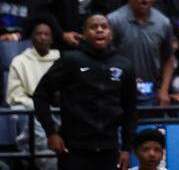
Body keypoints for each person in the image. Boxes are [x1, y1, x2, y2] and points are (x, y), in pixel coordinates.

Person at [33, 14, 138, 170]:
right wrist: (51, 133)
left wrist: (127, 148)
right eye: (93, 27)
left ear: (111, 34)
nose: (99, 30)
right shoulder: (70, 60)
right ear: (83, 34)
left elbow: (130, 108)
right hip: (74, 148)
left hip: (109, 149)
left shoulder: (124, 65)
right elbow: (40, 94)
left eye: (104, 27)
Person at [107, 0, 175, 106]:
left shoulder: (163, 23)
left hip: (152, 93)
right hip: (119, 92)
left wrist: (164, 91)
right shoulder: (113, 21)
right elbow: (105, 58)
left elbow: (168, 59)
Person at [7, 18, 61, 170]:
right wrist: (42, 107)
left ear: (52, 38)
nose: (43, 37)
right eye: (39, 34)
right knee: (38, 127)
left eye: (46, 34)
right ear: (32, 38)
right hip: (32, 110)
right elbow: (15, 95)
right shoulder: (20, 61)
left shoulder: (61, 59)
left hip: (60, 110)